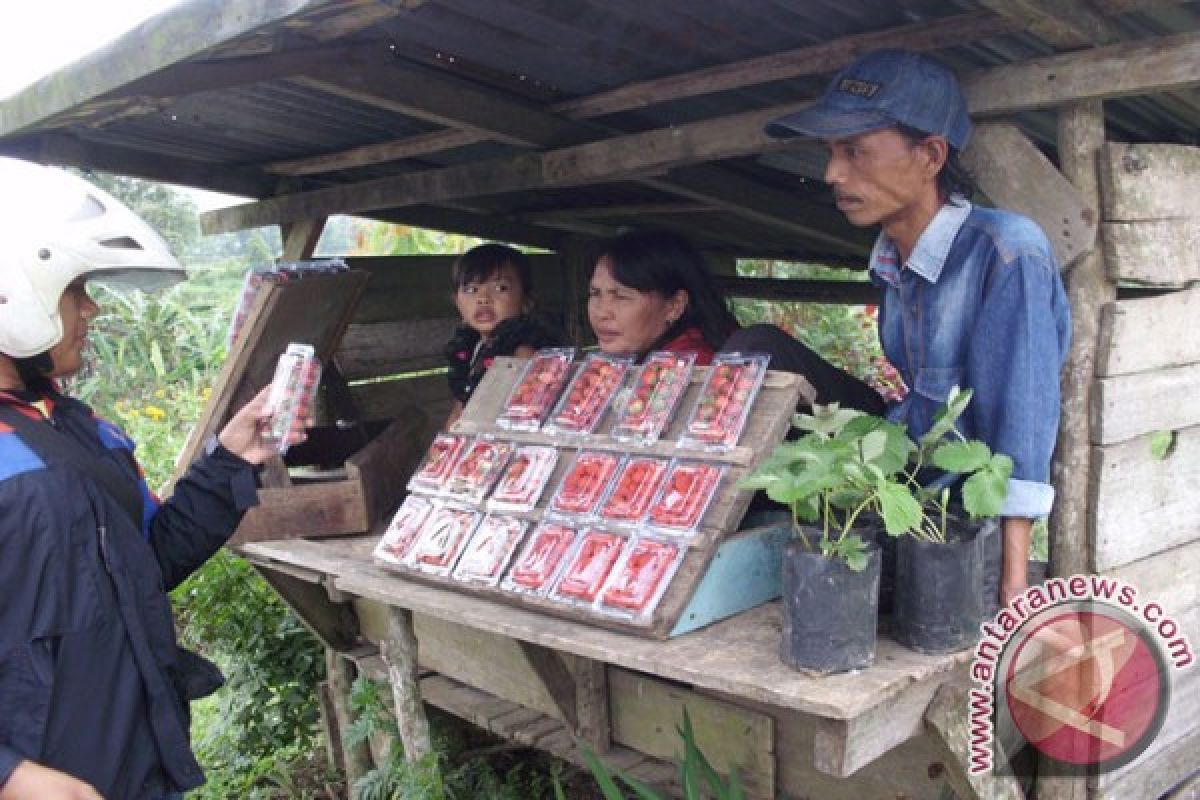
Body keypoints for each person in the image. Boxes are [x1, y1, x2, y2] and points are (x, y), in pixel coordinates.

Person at [0, 160, 308, 800]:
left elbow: (148, 560)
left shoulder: (81, 429)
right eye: (75, 286)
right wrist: (11, 774)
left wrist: (231, 457)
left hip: (135, 766)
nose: (90, 307)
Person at [759, 48, 1071, 605]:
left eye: (855, 150)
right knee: (759, 350)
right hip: (908, 496)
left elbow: (1021, 418)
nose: (833, 172)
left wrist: (1013, 583)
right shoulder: (891, 262)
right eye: (831, 151)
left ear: (930, 155)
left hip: (959, 529)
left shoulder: (1006, 252)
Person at [443, 243, 558, 427]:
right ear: (457, 303)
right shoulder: (473, 349)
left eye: (500, 288)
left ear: (526, 301)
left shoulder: (525, 355)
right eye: (471, 290)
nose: (483, 299)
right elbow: (460, 411)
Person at [587, 229, 739, 364]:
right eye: (595, 293)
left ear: (674, 306)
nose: (601, 313)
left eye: (621, 297)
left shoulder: (690, 368)